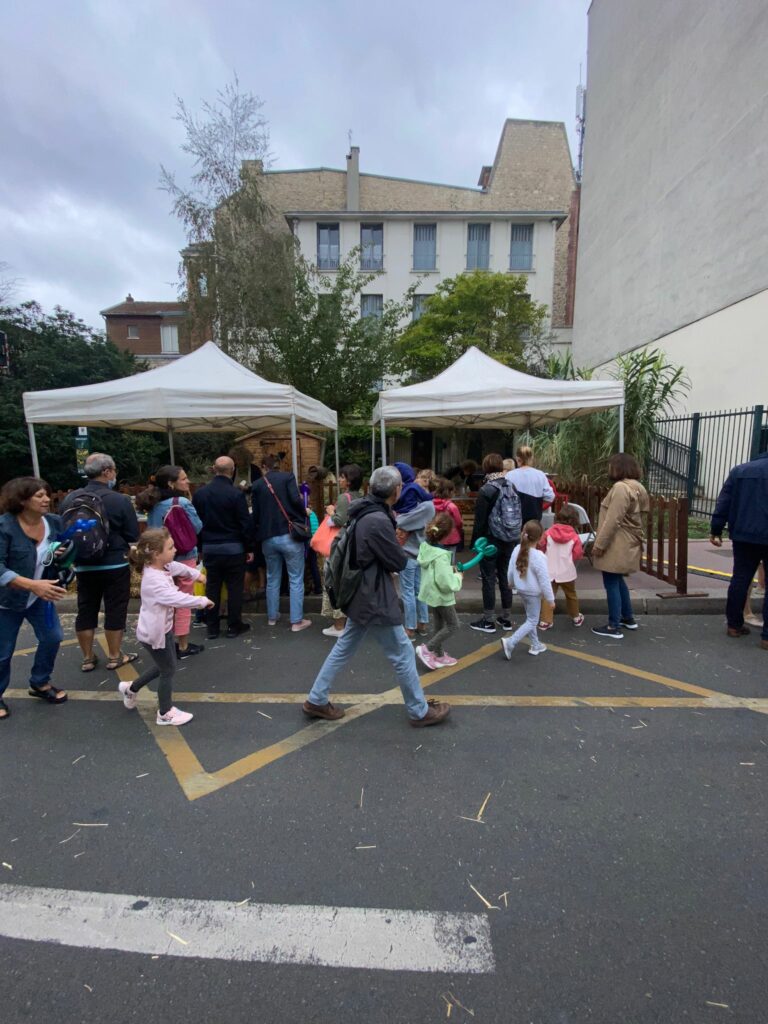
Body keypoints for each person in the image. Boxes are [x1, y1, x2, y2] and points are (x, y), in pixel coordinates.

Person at [303, 466, 450, 727]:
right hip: (373, 595)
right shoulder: (378, 520)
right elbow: (397, 561)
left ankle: (316, 698)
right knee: (403, 652)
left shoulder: (364, 511)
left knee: (345, 646)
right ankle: (419, 711)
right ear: (397, 490)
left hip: (360, 593)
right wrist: (398, 543)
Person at [120, 528, 213, 726]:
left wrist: (197, 575)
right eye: (170, 547)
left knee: (165, 666)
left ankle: (131, 689)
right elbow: (176, 598)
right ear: (155, 553)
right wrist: (203, 601)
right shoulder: (154, 581)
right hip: (155, 634)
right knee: (168, 669)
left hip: (163, 629)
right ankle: (164, 713)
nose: (175, 549)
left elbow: (179, 567)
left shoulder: (162, 566)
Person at [59, 452, 140, 672]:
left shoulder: (70, 498)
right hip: (114, 562)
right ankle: (114, 656)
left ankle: (87, 657)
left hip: (83, 563)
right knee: (115, 608)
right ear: (107, 472)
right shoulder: (119, 499)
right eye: (114, 470)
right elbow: (132, 533)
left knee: (85, 608)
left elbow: (63, 528)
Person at [0, 477, 69, 720]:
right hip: (7, 601)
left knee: (53, 638)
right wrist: (32, 585)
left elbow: (55, 552)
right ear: (21, 499)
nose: (47, 500)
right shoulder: (5, 527)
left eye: (47, 494)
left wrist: (60, 554)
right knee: (3, 651)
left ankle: (40, 682)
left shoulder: (53, 522)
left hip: (40, 597)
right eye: (39, 496)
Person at [136, 465, 204, 659]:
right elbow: (198, 527)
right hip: (184, 556)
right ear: (171, 483)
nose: (187, 481)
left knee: (165, 602)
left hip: (159, 558)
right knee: (182, 600)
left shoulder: (154, 503)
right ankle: (182, 645)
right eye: (183, 479)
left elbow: (151, 530)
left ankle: (166, 642)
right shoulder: (181, 501)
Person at [709, 449, 768, 648]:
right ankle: (766, 637)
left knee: (740, 578)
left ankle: (734, 625)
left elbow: (724, 501)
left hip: (744, 535)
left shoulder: (740, 471)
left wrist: (716, 529)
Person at [192, 456, 252, 640]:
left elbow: (196, 524)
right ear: (232, 471)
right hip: (234, 547)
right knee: (234, 588)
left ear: (213, 469)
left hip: (210, 547)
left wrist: (200, 547)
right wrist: (249, 547)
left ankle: (212, 627)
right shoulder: (236, 494)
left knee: (212, 587)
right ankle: (234, 626)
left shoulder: (200, 494)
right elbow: (245, 523)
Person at [591, 453, 650, 639]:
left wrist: (599, 545)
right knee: (617, 580)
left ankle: (613, 626)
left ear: (617, 468)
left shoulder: (620, 488)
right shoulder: (638, 487)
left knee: (611, 581)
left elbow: (613, 520)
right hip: (629, 541)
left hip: (617, 542)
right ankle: (628, 618)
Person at [251, 454, 311, 632]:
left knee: (272, 577)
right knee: (295, 578)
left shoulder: (257, 485)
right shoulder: (288, 477)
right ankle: (296, 621)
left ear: (264, 466)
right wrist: (303, 511)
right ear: (278, 465)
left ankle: (272, 617)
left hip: (267, 538)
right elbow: (295, 499)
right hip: (289, 534)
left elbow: (256, 515)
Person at [469, 453, 522, 634]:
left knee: (489, 578)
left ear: (485, 468)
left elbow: (480, 521)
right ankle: (506, 618)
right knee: (505, 578)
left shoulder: (487, 489)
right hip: (510, 538)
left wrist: (475, 544)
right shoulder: (511, 485)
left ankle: (488, 619)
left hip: (491, 540)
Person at [500, 520, 555, 659]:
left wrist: (510, 583)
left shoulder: (516, 549)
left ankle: (536, 645)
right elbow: (544, 581)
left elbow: (511, 570)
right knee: (532, 620)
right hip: (533, 593)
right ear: (541, 537)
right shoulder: (539, 556)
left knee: (531, 618)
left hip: (521, 590)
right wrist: (550, 599)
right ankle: (510, 642)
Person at [415, 513, 463, 670]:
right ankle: (427, 649)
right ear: (447, 534)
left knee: (439, 624)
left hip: (431, 593)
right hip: (441, 596)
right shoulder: (442, 555)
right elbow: (445, 582)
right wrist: (457, 577)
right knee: (453, 625)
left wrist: (450, 570)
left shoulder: (426, 547)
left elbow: (437, 572)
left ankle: (440, 655)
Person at [321, 463, 363, 638]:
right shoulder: (360, 496)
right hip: (354, 543)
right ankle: (347, 622)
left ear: (349, 480)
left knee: (334, 579)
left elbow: (340, 521)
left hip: (340, 543)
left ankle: (338, 626)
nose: (339, 479)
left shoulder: (343, 498)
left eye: (343, 477)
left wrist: (331, 512)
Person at [393, 462, 435, 639]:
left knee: (408, 592)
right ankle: (423, 623)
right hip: (422, 553)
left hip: (408, 554)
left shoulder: (409, 508)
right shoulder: (426, 506)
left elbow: (400, 523)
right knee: (419, 590)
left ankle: (410, 628)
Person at [538, 504, 585, 630]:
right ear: (574, 520)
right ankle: (576, 617)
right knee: (571, 594)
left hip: (549, 570)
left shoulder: (548, 533)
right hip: (567, 571)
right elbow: (578, 554)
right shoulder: (574, 536)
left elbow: (541, 546)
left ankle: (546, 621)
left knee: (548, 595)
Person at [506, 446, 555, 523]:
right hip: (534, 518)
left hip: (514, 518)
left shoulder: (509, 475)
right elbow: (550, 497)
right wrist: (538, 506)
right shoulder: (540, 475)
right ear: (531, 458)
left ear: (517, 459)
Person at [432, 477, 464, 552]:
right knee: (450, 560)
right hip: (451, 537)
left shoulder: (431, 504)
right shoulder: (452, 507)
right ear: (450, 492)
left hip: (436, 535)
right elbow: (458, 523)